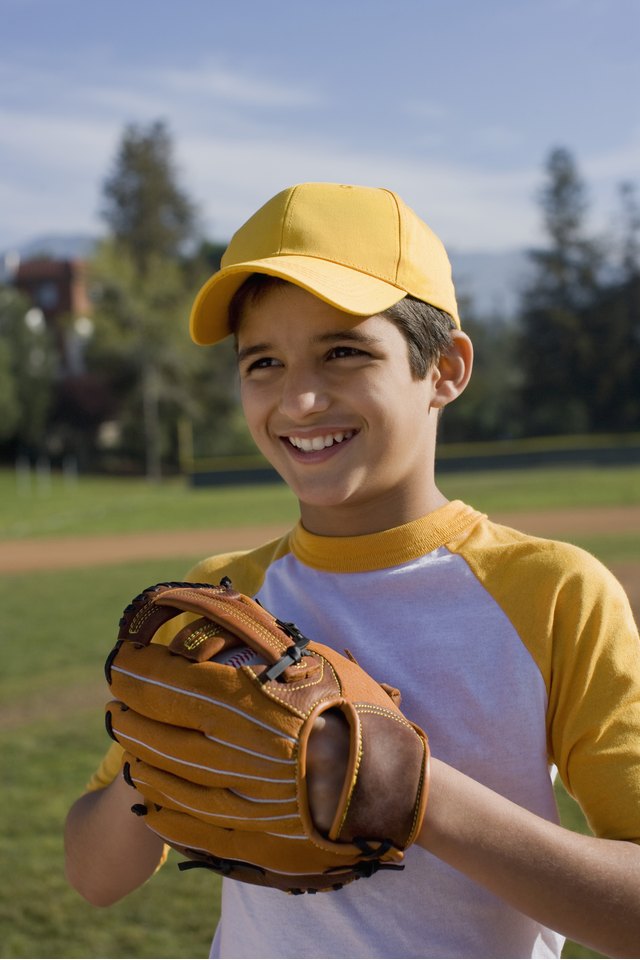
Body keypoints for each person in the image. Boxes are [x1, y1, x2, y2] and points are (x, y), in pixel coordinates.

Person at [65, 182, 640, 959]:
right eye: (262, 362)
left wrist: (407, 790)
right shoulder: (221, 602)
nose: (298, 400)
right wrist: (159, 765)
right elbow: (94, 878)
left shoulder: (551, 592)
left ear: (444, 369)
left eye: (344, 352)